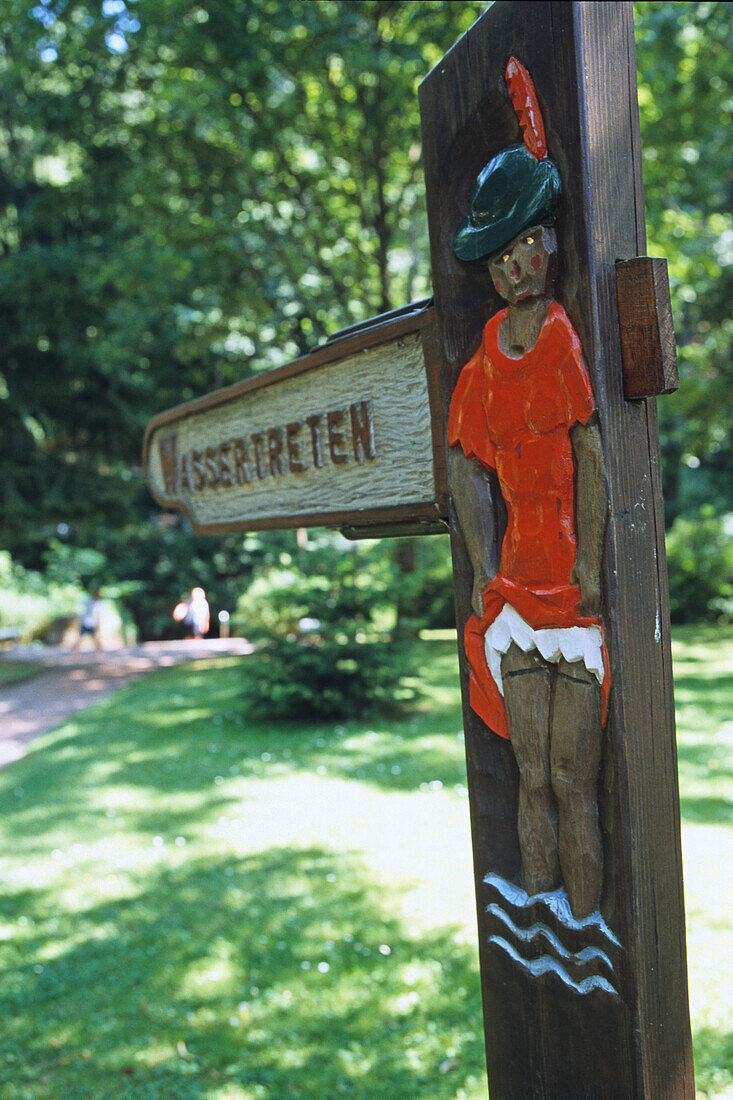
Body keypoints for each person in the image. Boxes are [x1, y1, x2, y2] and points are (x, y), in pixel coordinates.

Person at [448, 58, 609, 919]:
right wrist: (479, 566)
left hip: (569, 590)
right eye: (502, 252)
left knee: (568, 776)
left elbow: (588, 452)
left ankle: (588, 929)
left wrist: (590, 563)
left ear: (544, 244)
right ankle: (543, 917)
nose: (518, 263)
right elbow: (463, 465)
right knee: (530, 777)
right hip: (511, 591)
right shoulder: (481, 362)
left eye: (527, 244)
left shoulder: (557, 342)